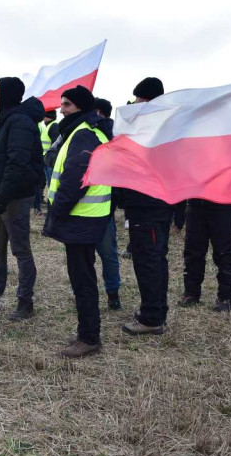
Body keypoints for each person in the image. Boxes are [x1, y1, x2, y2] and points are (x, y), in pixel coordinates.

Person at [43, 85, 112, 359]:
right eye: (62, 104)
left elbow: (76, 178)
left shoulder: (83, 134)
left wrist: (57, 210)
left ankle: (89, 338)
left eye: (67, 105)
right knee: (82, 277)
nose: (61, 109)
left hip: (82, 218)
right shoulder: (82, 131)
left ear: (81, 108)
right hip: (85, 218)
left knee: (82, 279)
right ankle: (87, 331)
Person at [117, 77, 173, 336]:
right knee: (156, 259)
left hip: (147, 204)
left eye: (140, 99)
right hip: (157, 204)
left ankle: (151, 318)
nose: (136, 103)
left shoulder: (151, 130)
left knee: (148, 261)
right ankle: (156, 311)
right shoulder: (166, 126)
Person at [0, 77, 45, 320]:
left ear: (5, 95)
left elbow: (16, 163)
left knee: (20, 250)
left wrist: (3, 196)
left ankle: (25, 302)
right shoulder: (3, 120)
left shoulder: (19, 122)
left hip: (15, 196)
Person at [180, 199, 231, 311]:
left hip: (223, 202)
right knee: (193, 250)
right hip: (196, 200)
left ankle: (226, 296)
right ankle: (191, 292)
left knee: (224, 252)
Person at [91, 97, 121, 310]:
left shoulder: (105, 134)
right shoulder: (117, 135)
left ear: (98, 112)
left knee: (103, 253)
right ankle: (112, 294)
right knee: (108, 253)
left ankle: (111, 293)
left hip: (98, 206)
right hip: (104, 206)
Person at [35, 108, 58, 214]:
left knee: (51, 184)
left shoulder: (53, 126)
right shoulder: (49, 126)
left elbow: (54, 145)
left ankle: (52, 206)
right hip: (45, 160)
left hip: (49, 162)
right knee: (47, 183)